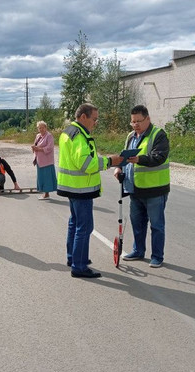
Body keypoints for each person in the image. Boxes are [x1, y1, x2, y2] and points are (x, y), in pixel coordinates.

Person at [57, 103, 123, 278]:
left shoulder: (68, 131)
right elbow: (86, 164)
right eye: (94, 119)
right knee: (84, 227)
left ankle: (73, 258)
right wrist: (110, 161)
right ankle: (79, 266)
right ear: (83, 117)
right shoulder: (79, 136)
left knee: (75, 223)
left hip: (72, 187)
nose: (96, 123)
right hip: (81, 189)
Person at [113, 105, 170, 268]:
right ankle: (138, 251)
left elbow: (158, 157)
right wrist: (119, 168)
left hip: (155, 189)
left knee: (156, 225)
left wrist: (139, 159)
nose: (135, 125)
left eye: (138, 121)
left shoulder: (158, 135)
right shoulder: (131, 136)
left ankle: (157, 256)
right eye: (133, 122)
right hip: (134, 188)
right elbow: (125, 156)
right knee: (137, 222)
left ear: (148, 119)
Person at [31, 121, 57, 200]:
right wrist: (33, 147)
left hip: (47, 161)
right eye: (39, 128)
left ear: (46, 128)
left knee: (47, 178)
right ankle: (44, 193)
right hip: (39, 160)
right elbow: (35, 144)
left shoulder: (49, 136)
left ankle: (46, 194)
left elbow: (49, 148)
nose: (41, 129)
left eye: (43, 127)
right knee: (41, 177)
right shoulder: (38, 135)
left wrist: (38, 149)